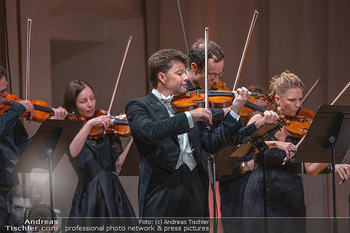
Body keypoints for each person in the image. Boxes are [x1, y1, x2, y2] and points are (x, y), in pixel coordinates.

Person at [125, 49, 278, 217]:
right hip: (161, 193)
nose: (186, 77)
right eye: (179, 73)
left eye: (185, 72)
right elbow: (149, 132)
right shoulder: (138, 106)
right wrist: (188, 116)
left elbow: (212, 143)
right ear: (162, 77)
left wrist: (235, 110)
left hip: (195, 190)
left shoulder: (190, 104)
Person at [243, 70, 350, 232]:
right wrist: (275, 144)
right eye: (292, 100)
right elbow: (245, 147)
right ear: (277, 99)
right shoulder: (260, 119)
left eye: (300, 99)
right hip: (260, 197)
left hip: (291, 198)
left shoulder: (303, 126)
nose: (298, 104)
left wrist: (330, 149)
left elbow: (311, 169)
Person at [0, 66, 67, 230]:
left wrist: (50, 128)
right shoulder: (11, 114)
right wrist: (18, 108)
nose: (6, 95)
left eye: (6, 89)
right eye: (0, 92)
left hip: (12, 194)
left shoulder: (9, 115)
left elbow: (24, 152)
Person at [62, 80, 135, 219]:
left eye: (92, 98)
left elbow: (119, 165)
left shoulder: (106, 127)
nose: (90, 105)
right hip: (88, 195)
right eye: (83, 101)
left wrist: (134, 138)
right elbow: (72, 152)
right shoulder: (71, 129)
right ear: (73, 104)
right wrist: (89, 124)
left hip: (113, 193)